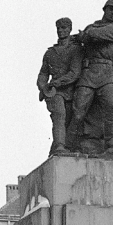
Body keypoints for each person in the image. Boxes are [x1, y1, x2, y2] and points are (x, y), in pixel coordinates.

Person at [66, 0, 113, 154]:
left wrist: (86, 35)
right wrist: (83, 36)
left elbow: (97, 35)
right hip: (89, 71)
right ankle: (69, 144)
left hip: (106, 73)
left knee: (112, 103)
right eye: (111, 10)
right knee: (78, 111)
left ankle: (111, 142)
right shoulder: (91, 26)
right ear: (104, 9)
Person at [37, 17, 83, 155]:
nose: (61, 31)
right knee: (59, 115)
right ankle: (60, 147)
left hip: (70, 90)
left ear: (70, 29)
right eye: (59, 28)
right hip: (54, 92)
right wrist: (43, 87)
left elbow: (75, 73)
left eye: (64, 28)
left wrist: (58, 82)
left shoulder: (75, 50)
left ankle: (60, 148)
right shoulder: (50, 53)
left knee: (71, 120)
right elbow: (43, 73)